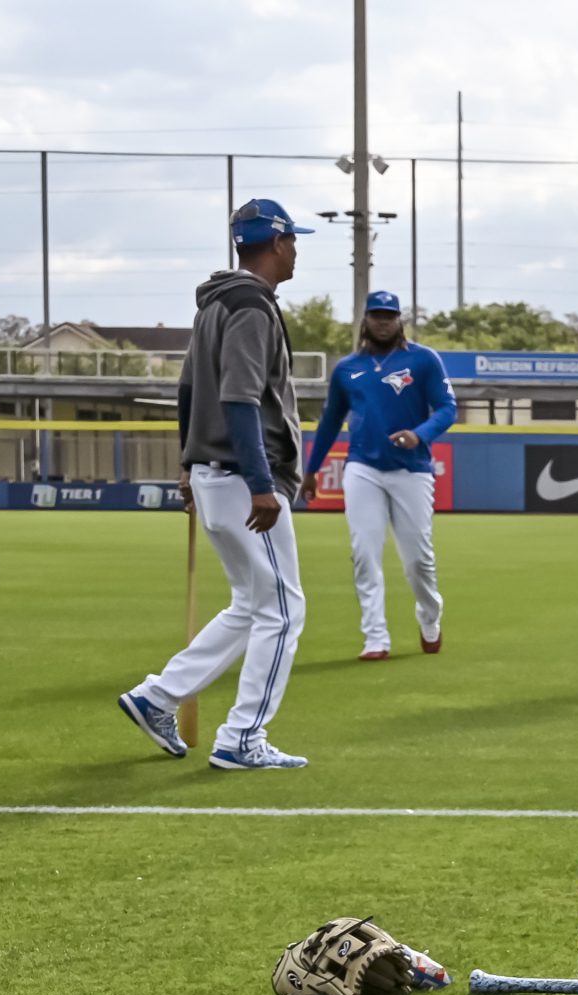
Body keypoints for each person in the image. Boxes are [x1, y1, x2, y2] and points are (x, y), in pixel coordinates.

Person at [117, 198, 314, 771]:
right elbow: (238, 397)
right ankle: (242, 737)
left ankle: (158, 697)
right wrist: (260, 483)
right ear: (276, 243)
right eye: (293, 240)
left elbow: (186, 390)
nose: (296, 249)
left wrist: (186, 465)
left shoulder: (215, 304)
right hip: (243, 478)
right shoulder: (252, 305)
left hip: (213, 472)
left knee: (252, 604)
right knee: (282, 609)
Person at [302, 290, 458, 661]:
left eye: (390, 315)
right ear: (365, 319)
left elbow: (447, 408)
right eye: (377, 315)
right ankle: (375, 636)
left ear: (400, 319)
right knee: (364, 553)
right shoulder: (347, 368)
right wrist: (311, 470)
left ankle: (429, 615)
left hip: (412, 468)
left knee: (418, 559)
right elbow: (329, 423)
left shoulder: (422, 360)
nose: (384, 321)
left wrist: (419, 434)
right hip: (363, 467)